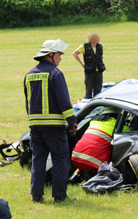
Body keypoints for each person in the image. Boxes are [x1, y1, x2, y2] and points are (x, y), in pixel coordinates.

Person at [24, 39, 77, 203]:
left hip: (35, 126)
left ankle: (37, 196)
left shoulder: (29, 75)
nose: (60, 59)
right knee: (60, 159)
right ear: (50, 55)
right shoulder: (55, 74)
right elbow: (64, 101)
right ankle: (59, 196)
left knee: (38, 159)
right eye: (59, 55)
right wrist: (72, 122)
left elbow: (28, 102)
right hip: (54, 126)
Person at [71, 108, 129, 182]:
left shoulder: (94, 122)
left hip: (76, 158)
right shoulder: (119, 126)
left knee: (95, 147)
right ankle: (94, 175)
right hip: (94, 164)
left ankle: (78, 174)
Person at [73, 33, 106, 99]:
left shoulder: (100, 46)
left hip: (99, 71)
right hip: (89, 71)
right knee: (89, 90)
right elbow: (75, 54)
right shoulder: (84, 46)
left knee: (98, 90)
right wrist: (82, 63)